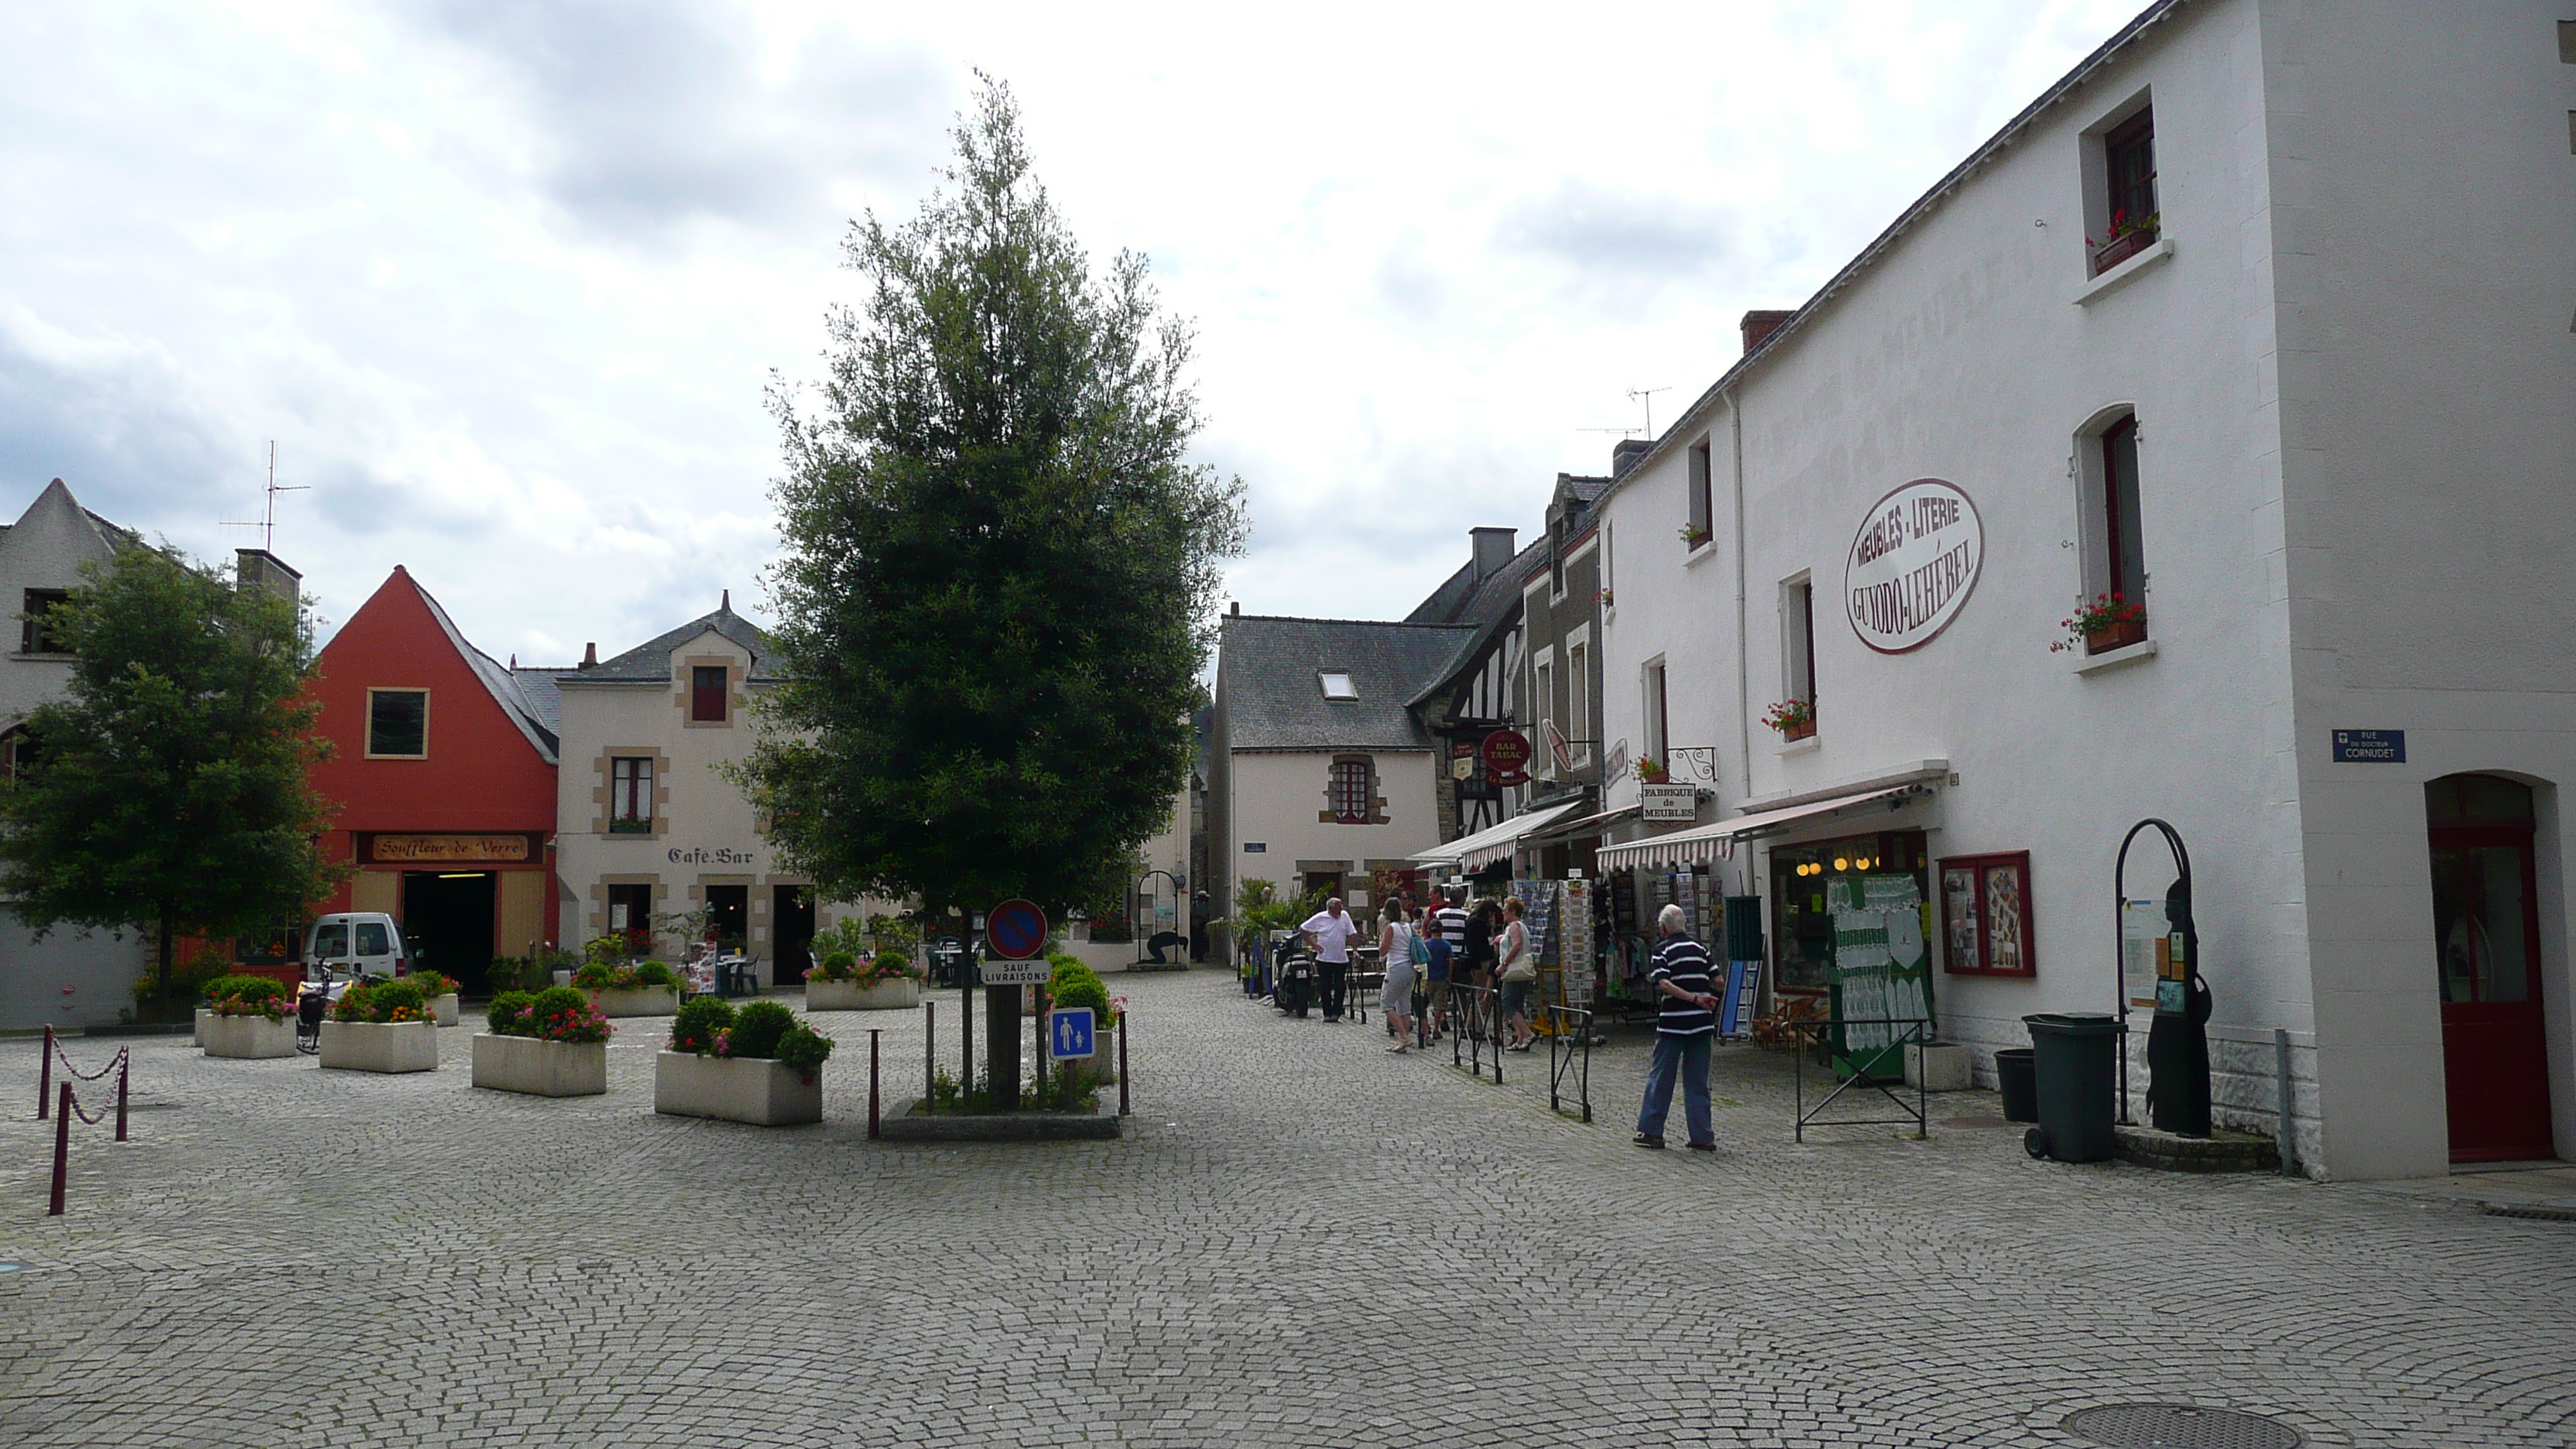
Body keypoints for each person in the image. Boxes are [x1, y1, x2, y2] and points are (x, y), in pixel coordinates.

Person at [1634, 903, 1719, 1151]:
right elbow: (1719, 980)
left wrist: (1693, 998)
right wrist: (1709, 999)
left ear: (1663, 928)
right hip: (1702, 1025)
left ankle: (1652, 1132)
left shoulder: (1662, 950)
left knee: (1661, 1077)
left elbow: (1665, 985)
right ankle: (1703, 1136)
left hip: (1673, 1025)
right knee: (1698, 1082)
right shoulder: (1701, 949)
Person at [1299, 897, 1362, 1022]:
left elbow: (1352, 934)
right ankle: (1327, 1013)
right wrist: (1314, 945)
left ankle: (1336, 1012)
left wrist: (1355, 950)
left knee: (1340, 987)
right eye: (1338, 907)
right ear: (1331, 908)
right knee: (1325, 986)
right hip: (1324, 958)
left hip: (1340, 959)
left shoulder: (1344, 916)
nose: (1341, 909)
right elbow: (1303, 929)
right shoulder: (1321, 918)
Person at [1496, 896, 1536, 1051]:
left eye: (1505, 909)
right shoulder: (1523, 926)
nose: (1503, 912)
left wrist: (1504, 964)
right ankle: (1520, 1040)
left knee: (1507, 1003)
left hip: (1514, 969)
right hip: (1523, 969)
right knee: (1518, 1004)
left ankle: (1527, 1033)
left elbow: (1517, 944)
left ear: (1512, 911)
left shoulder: (1514, 926)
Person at [1377, 902, 1416, 1052]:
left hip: (1396, 967)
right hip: (1409, 967)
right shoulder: (1408, 927)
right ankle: (1403, 1041)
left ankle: (1404, 1036)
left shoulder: (1390, 928)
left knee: (1386, 1004)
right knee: (1404, 1006)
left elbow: (1383, 950)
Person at [1416, 918, 1453, 1042]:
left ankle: (1425, 1027)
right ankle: (1437, 1029)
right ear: (1442, 930)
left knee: (1423, 1004)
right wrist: (1449, 976)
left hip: (1427, 978)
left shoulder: (1426, 944)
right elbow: (1451, 962)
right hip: (1441, 977)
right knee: (1439, 1006)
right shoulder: (1446, 945)